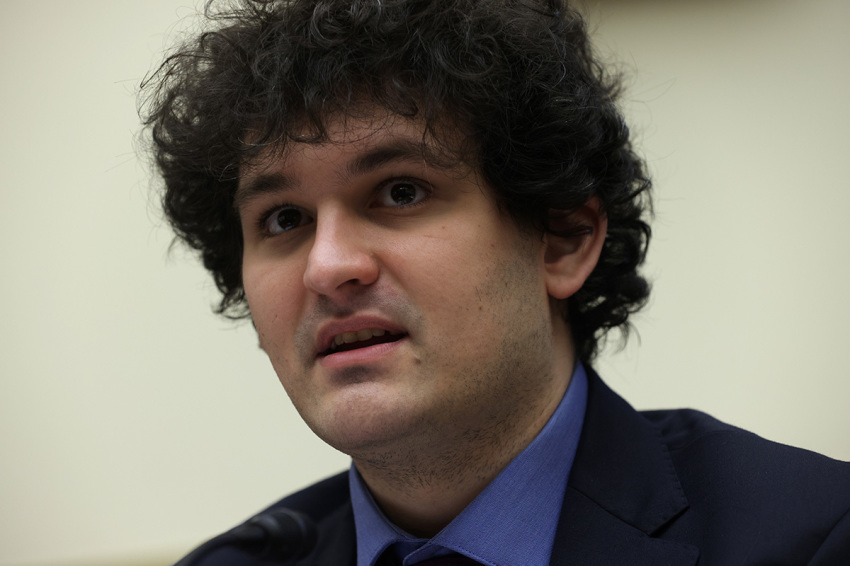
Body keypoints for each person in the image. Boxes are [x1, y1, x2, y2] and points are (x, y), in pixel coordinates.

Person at [140, 0, 850, 564]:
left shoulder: (813, 537)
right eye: (283, 217)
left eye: (401, 193)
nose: (326, 266)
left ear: (563, 240)